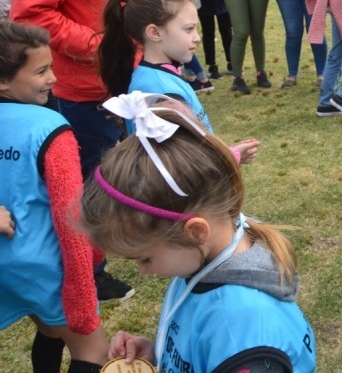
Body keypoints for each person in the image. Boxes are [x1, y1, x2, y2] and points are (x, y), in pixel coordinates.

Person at [10, 0, 151, 302]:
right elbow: (30, 15)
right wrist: (100, 45)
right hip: (83, 93)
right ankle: (89, 273)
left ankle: (114, 248)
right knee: (90, 186)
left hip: (127, 82)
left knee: (119, 175)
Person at [79, 97, 315, 372]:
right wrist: (162, 353)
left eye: (144, 258)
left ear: (195, 232)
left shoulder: (244, 334)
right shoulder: (205, 262)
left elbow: (226, 341)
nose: (142, 271)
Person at [0, 21, 110, 373]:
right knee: (93, 351)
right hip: (44, 265)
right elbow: (71, 216)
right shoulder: (50, 127)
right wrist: (83, 285)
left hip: (8, 266)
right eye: (42, 71)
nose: (53, 79)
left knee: (49, 328)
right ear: (3, 80)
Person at [97, 0, 260, 162]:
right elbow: (182, 167)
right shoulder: (162, 93)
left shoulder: (156, 76)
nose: (197, 37)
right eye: (189, 29)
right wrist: (232, 156)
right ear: (155, 33)